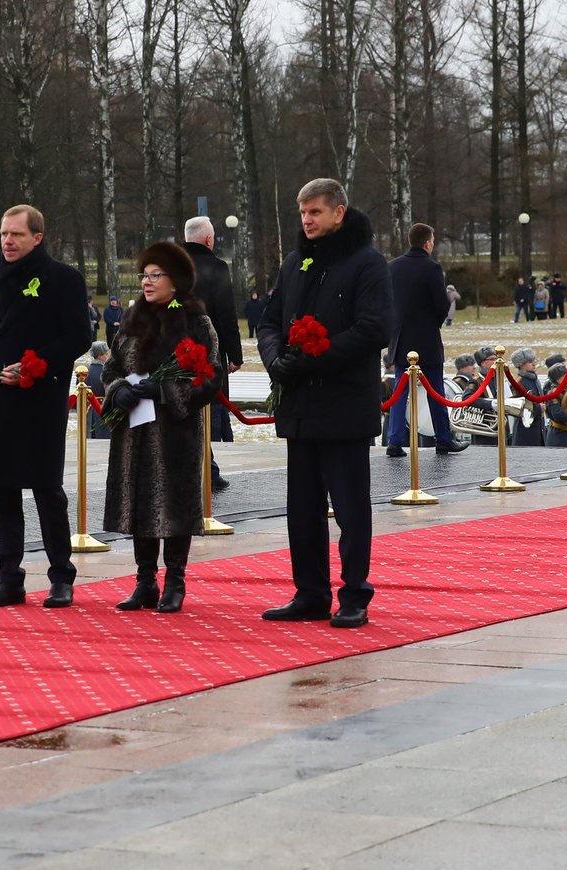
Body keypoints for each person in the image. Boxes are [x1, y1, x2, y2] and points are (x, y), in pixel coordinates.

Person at [257, 178, 392, 629]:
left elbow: (374, 329)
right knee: (302, 509)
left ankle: (354, 594)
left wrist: (316, 358)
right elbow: (270, 322)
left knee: (351, 509)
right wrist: (277, 360)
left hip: (344, 406)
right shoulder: (295, 263)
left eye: (315, 212)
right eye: (302, 213)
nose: (307, 221)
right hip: (300, 408)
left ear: (339, 211)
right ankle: (310, 592)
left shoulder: (367, 264)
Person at [0, 204, 92, 610]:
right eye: (4, 233)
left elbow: (78, 337)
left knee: (46, 490)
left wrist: (36, 364)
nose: (8, 241)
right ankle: (10, 579)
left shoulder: (62, 278)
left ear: (37, 237)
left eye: (17, 234)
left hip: (39, 397)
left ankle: (61, 577)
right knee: (4, 490)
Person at [101, 242, 224, 614]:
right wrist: (118, 390)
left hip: (174, 434)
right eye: (144, 275)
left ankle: (175, 581)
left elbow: (212, 376)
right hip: (134, 432)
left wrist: (169, 391)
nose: (147, 282)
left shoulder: (195, 322)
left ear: (176, 280)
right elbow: (111, 368)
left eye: (156, 275)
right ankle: (144, 581)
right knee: (139, 504)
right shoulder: (133, 319)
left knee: (174, 504)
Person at [383, 223, 467, 459]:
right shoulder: (432, 268)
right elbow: (442, 305)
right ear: (428, 243)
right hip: (426, 340)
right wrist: (433, 324)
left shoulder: (392, 267)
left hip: (400, 339)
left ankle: (395, 441)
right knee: (435, 389)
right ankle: (443, 439)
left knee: (400, 391)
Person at [181, 216, 245, 491]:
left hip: (173, 351)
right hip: (208, 351)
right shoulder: (216, 267)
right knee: (209, 412)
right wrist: (235, 354)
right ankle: (208, 470)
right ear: (209, 240)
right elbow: (226, 314)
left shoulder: (169, 266)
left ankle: (188, 469)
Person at [86, 341, 112, 441]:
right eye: (106, 353)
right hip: (105, 408)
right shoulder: (107, 371)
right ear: (100, 355)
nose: (108, 355)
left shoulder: (85, 370)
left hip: (89, 410)